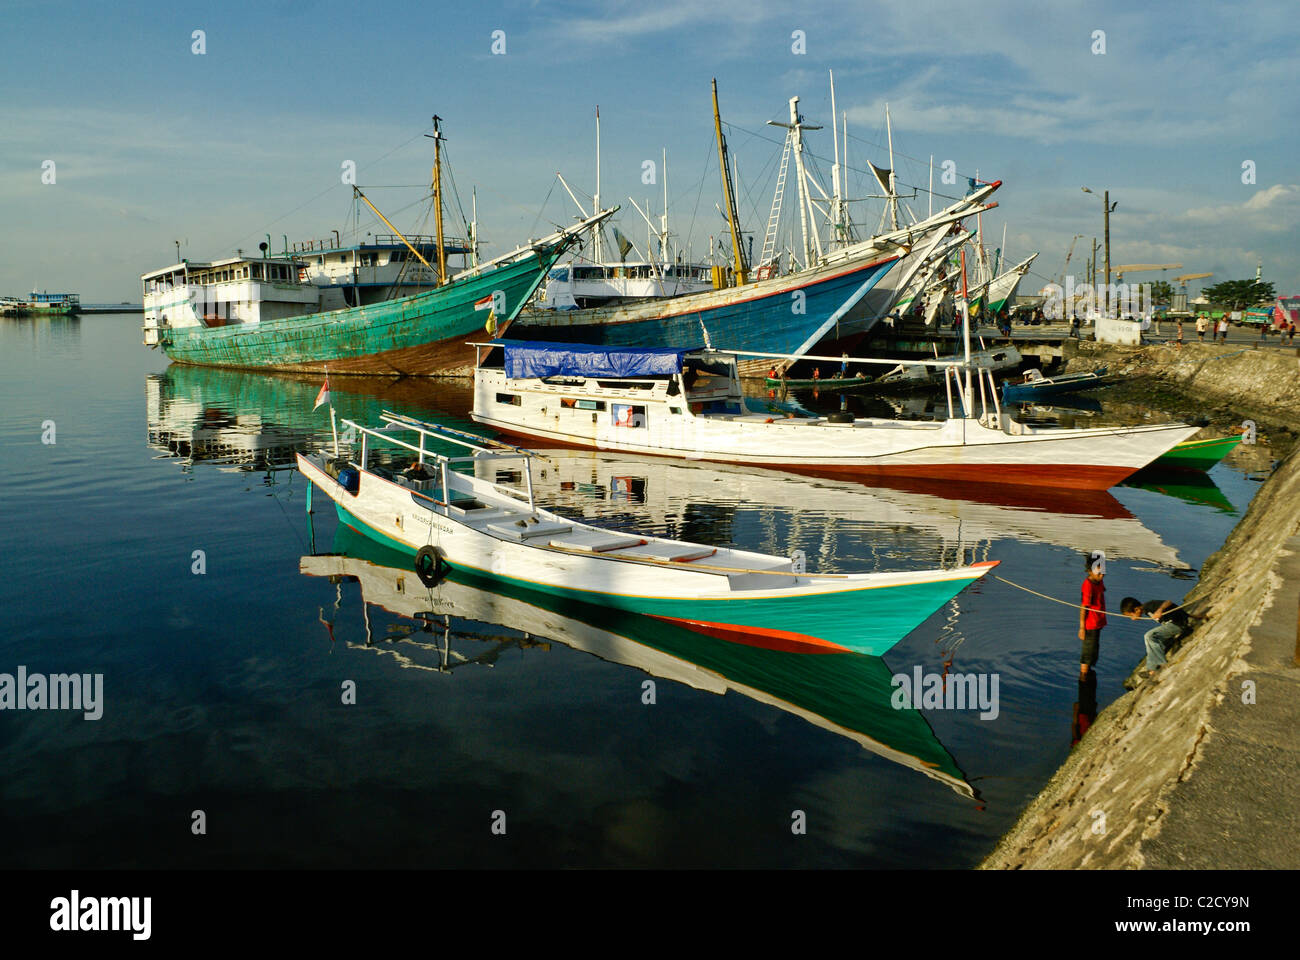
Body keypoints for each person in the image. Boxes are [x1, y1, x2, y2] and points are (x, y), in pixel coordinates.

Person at [1120, 597, 1191, 679]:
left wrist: (1160, 610)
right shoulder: (1146, 611)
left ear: (1136, 609)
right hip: (1172, 625)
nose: (1132, 619)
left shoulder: (1150, 606)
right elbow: (1179, 611)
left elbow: (1168, 602)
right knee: (1152, 645)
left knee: (1149, 636)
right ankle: (1152, 670)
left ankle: (1162, 665)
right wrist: (1196, 616)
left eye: (1131, 615)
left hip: (1177, 625)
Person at [1078, 553, 1107, 680]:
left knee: (1094, 650)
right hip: (1090, 625)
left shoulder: (1099, 582)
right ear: (1090, 571)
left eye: (1103, 573)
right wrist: (1082, 628)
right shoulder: (1088, 585)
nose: (1102, 576)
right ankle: (1083, 676)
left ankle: (1088, 672)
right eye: (1098, 573)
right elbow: (1084, 607)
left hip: (1098, 623)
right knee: (1088, 653)